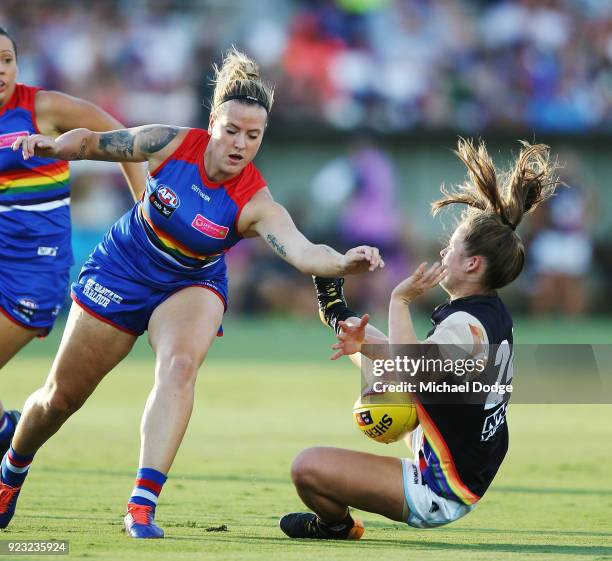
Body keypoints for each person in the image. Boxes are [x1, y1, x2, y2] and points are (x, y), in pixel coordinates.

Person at [0, 48, 384, 539]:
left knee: (180, 367)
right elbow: (95, 142)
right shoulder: (169, 143)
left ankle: (142, 505)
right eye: (231, 131)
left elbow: (305, 252)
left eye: (253, 135)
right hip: (122, 267)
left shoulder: (254, 201)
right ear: (211, 124)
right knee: (59, 401)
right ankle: (12, 468)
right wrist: (54, 148)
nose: (241, 144)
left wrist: (344, 261)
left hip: (191, 282)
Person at [280, 138, 561, 539]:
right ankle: (334, 309)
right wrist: (354, 336)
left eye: (451, 249)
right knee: (383, 366)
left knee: (306, 468)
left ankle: (336, 525)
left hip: (441, 487)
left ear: (473, 263)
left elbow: (409, 374)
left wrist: (399, 300)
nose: (443, 254)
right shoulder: (484, 312)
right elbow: (410, 368)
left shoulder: (468, 328)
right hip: (457, 456)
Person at [0, 27, 145, 457]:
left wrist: (145, 210)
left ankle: (10, 435)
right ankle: (7, 433)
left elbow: (126, 141)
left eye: (7, 59)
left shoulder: (43, 107)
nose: (1, 70)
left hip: (33, 273)